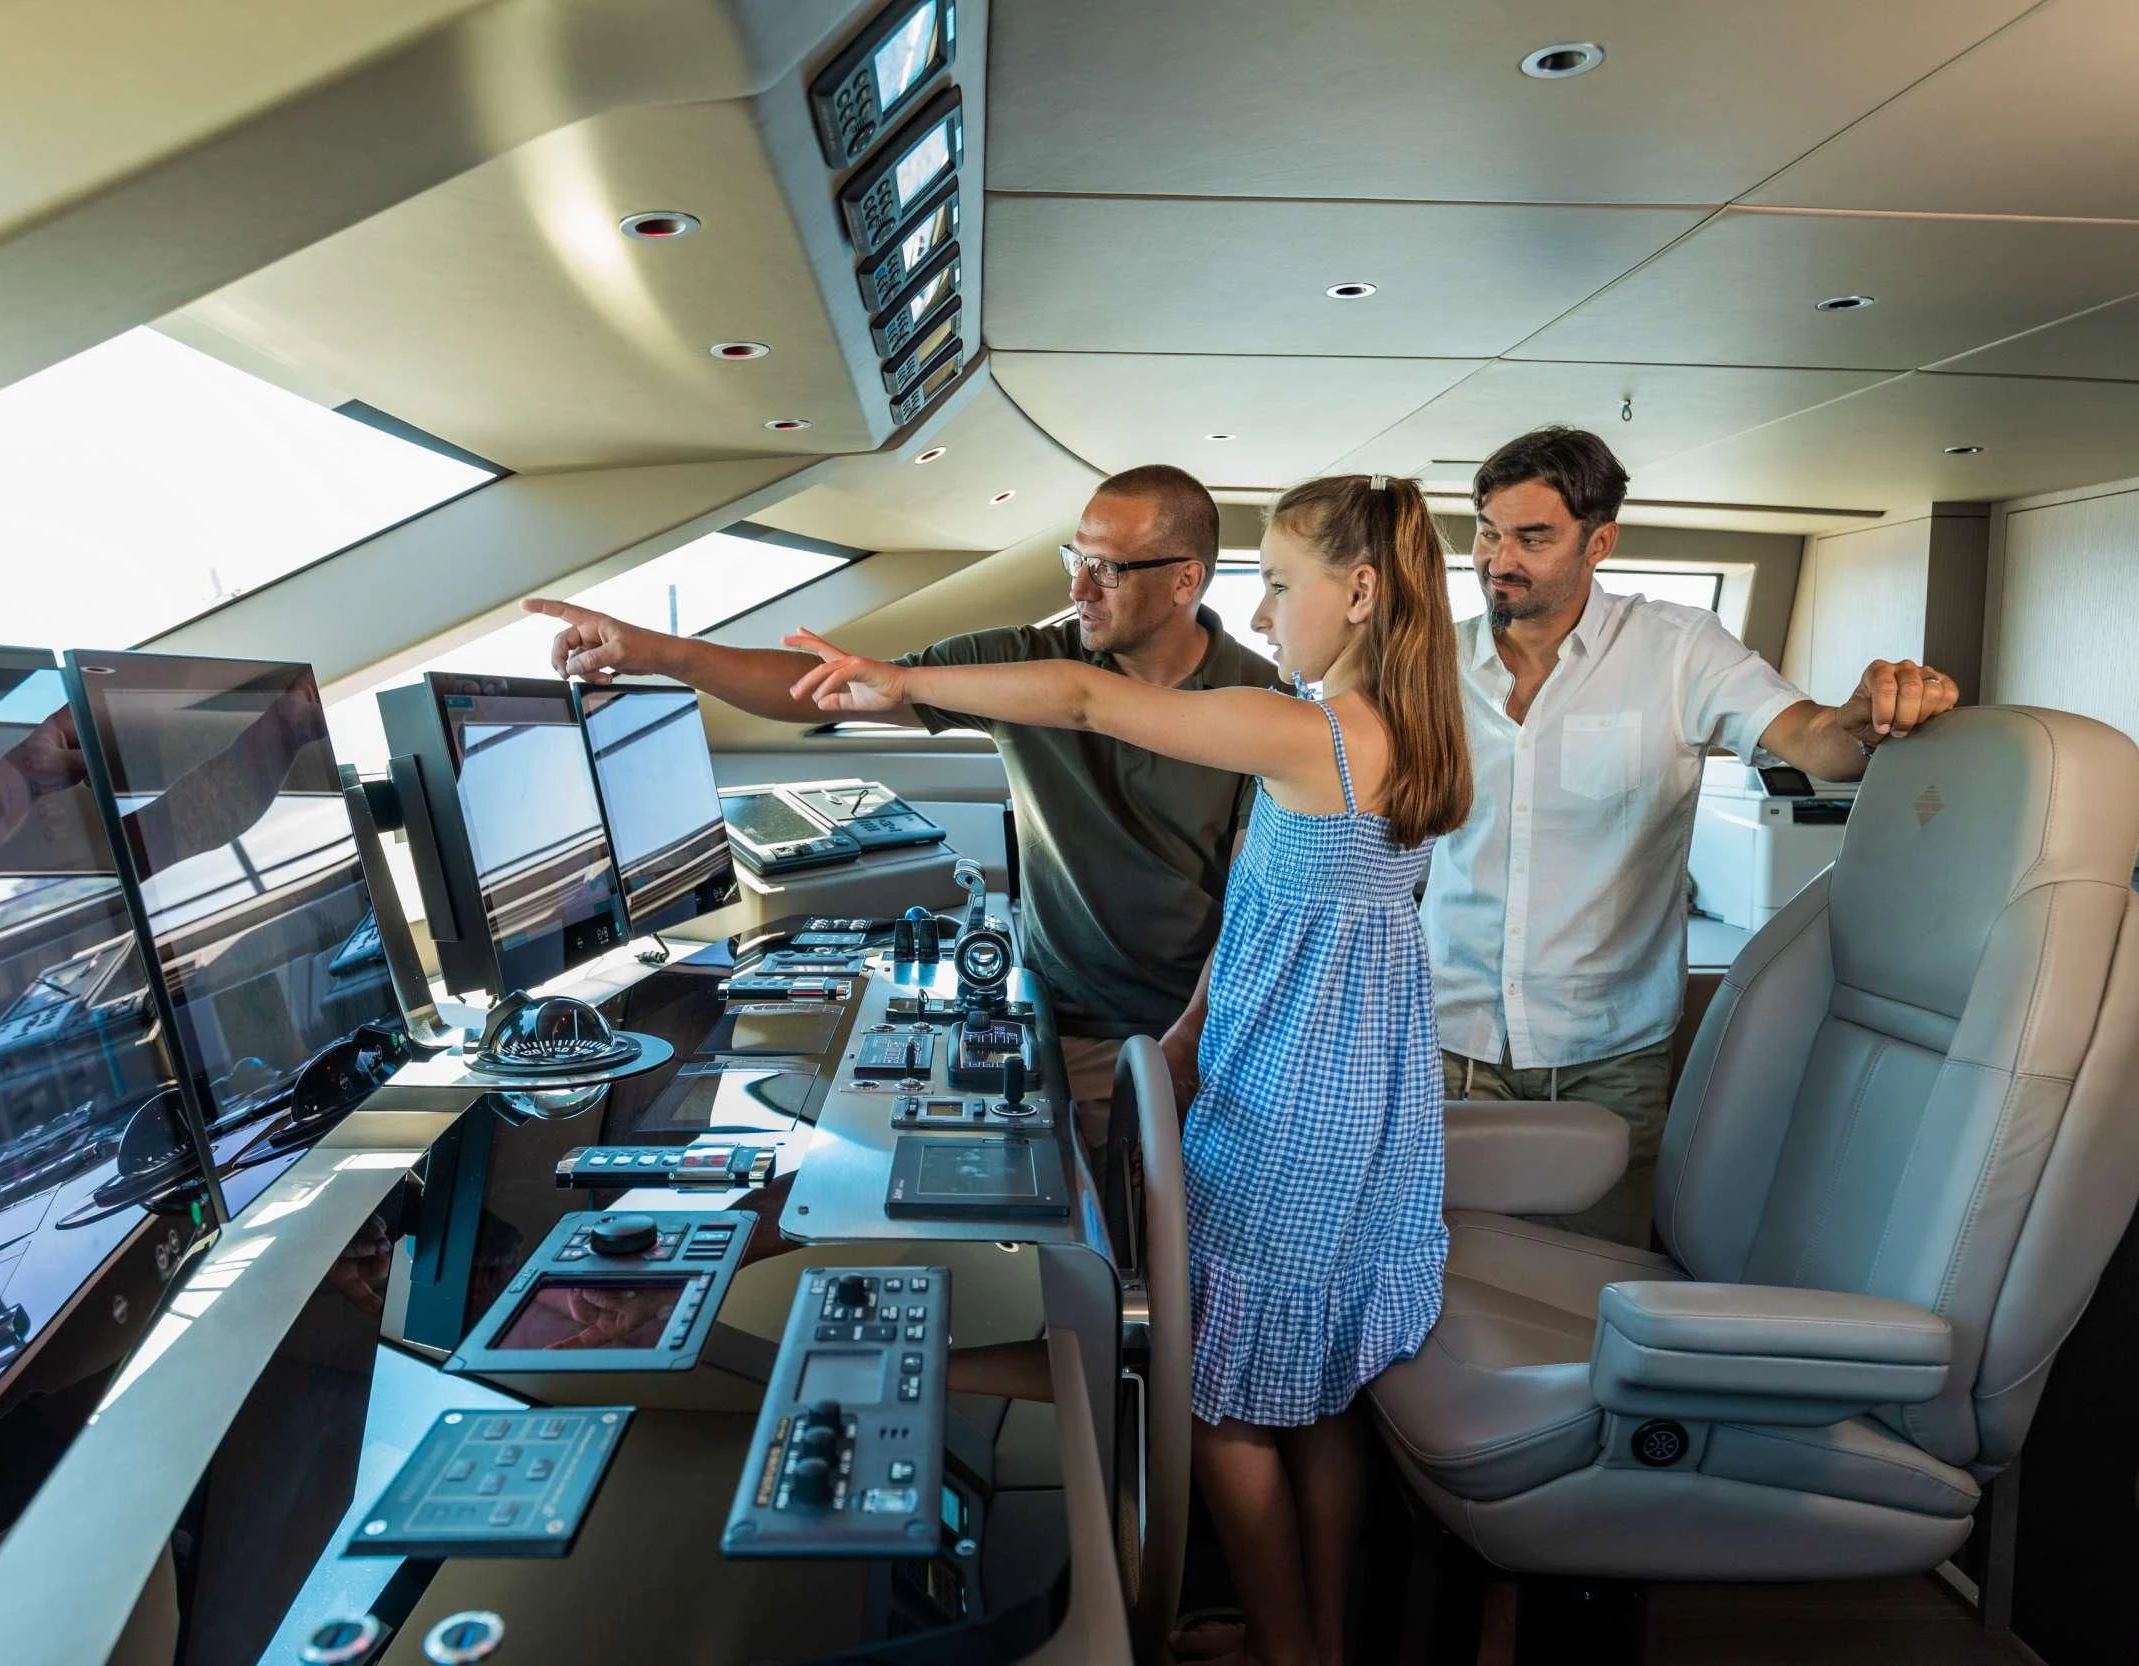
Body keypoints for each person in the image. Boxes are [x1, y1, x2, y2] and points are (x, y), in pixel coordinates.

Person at [783, 472, 1469, 1666]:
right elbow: (1264, 915)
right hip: (1341, 1102)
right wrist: (1185, 1043)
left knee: (1217, 1401)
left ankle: (1290, 1648)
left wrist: (900, 683)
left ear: (1359, 594)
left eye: (1278, 585)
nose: (1262, 618)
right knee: (1310, 1396)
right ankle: (1309, 1641)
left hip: (1293, 1115)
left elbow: (1084, 701)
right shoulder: (1382, 735)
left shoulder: (1322, 734)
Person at [522, 465, 1277, 1145]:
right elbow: (830, 687)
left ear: (1186, 581)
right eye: (1075, 560)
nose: (1078, 588)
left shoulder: (1261, 706)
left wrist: (1187, 1042)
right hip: (1056, 1016)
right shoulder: (1021, 661)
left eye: (1107, 570)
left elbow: (1256, 909)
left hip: (1193, 1029)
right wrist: (658, 654)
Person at [1429, 426, 1961, 1246]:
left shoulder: (1678, 649)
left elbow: (1815, 739)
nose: (1500, 557)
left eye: (1533, 537)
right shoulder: (1432, 661)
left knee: (1585, 1299)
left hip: (1607, 1063)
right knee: (1433, 1294)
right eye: (1489, 531)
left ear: (1598, 542)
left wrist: (1865, 717)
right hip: (1446, 1048)